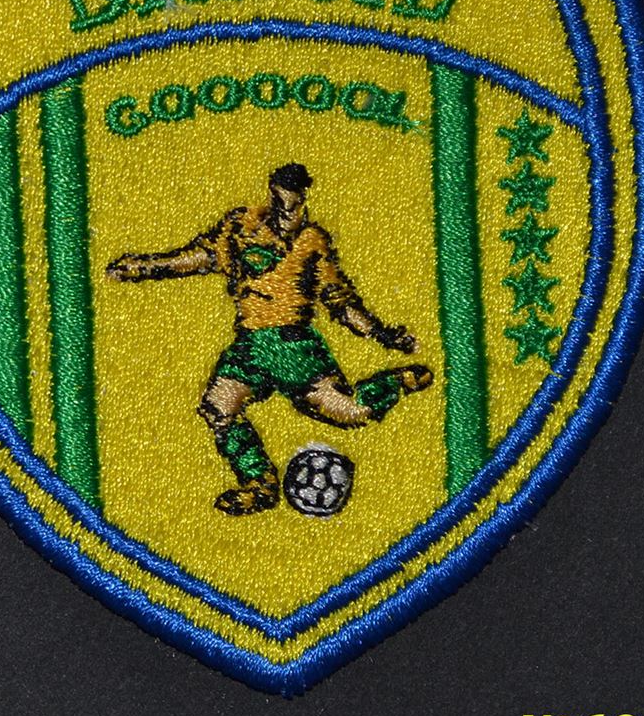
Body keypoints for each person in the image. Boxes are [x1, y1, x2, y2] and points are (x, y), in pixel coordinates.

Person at [104, 163, 433, 516]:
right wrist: (144, 267)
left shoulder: (312, 242)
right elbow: (200, 257)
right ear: (271, 196)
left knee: (348, 411)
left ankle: (397, 381)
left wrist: (381, 334)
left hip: (293, 345)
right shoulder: (241, 228)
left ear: (303, 202)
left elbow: (339, 301)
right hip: (250, 344)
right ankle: (260, 484)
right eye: (280, 203)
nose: (286, 214)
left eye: (294, 206)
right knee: (218, 408)